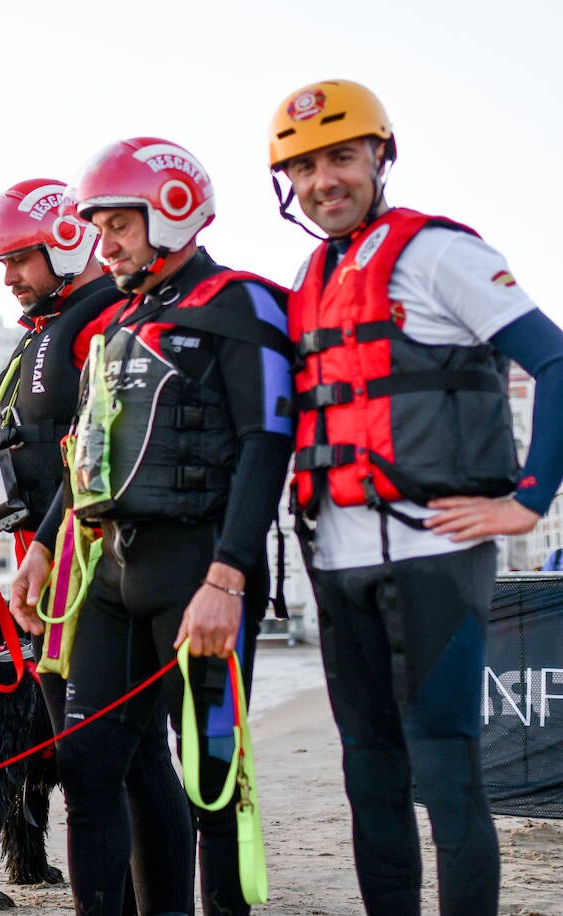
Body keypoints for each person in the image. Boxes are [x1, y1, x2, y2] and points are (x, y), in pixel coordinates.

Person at [268, 79, 563, 915]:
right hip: (337, 559)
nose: (325, 179)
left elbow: (554, 360)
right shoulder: (312, 270)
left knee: (445, 770)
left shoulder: (440, 253)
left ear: (379, 156)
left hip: (435, 554)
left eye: (342, 156)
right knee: (369, 774)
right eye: (304, 166)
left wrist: (530, 500)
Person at [10, 137, 295, 915]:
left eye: (118, 226)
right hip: (111, 573)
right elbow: (90, 461)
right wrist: (42, 547)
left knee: (211, 776)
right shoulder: (116, 324)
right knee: (87, 762)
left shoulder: (240, 303)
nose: (104, 245)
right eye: (97, 227)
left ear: (173, 212)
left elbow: (269, 444)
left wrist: (228, 578)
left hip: (200, 569)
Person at [0, 177, 124, 732]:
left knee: (115, 758)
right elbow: (25, 441)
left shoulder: (106, 318)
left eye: (20, 259)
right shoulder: (42, 331)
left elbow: (104, 451)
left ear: (69, 240)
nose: (8, 278)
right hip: (47, 576)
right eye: (2, 263)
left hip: (97, 571)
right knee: (78, 755)